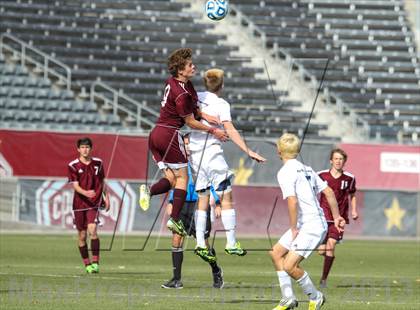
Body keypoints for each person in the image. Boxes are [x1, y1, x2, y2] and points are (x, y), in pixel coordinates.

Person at [138, 48, 228, 237]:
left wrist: (204, 114)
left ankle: (149, 191)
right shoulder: (181, 93)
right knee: (183, 179)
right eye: (189, 64)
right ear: (180, 70)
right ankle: (175, 219)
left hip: (155, 135)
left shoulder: (176, 83)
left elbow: (193, 109)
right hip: (169, 135)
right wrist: (214, 131)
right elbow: (190, 122)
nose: (193, 66)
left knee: (171, 179)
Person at [188, 68, 266, 262]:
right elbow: (229, 129)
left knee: (203, 198)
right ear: (222, 85)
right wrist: (248, 151)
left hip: (196, 155)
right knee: (227, 196)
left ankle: (199, 243)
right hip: (212, 153)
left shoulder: (195, 97)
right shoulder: (222, 104)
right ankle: (231, 242)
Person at [269, 133, 345, 310]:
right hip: (308, 223)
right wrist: (337, 217)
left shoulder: (285, 172)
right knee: (276, 253)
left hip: (312, 226)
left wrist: (293, 228)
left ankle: (315, 296)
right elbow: (329, 192)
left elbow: (292, 201)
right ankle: (288, 298)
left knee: (289, 265)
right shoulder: (307, 169)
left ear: (279, 151)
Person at [161, 134, 224, 289]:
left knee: (204, 245)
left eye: (190, 143)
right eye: (185, 144)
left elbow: (212, 183)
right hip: (181, 204)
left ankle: (216, 270)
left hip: (199, 205)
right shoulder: (177, 163)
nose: (187, 147)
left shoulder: (203, 161)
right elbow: (174, 183)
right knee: (176, 239)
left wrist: (217, 202)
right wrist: (171, 201)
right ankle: (176, 280)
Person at [68, 137, 109, 274]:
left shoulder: (98, 163)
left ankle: (96, 263)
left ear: (91, 149)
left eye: (87, 147)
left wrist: (106, 197)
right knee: (82, 235)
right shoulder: (73, 165)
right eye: (83, 147)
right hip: (79, 204)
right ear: (78, 149)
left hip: (94, 203)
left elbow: (102, 181)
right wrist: (86, 192)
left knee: (93, 230)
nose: (85, 149)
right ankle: (87, 264)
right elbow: (75, 186)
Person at [317, 148, 358, 288]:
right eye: (336, 159)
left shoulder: (350, 178)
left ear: (344, 161)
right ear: (331, 161)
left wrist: (353, 210)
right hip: (322, 217)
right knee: (321, 251)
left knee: (331, 246)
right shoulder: (321, 175)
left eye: (341, 159)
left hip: (338, 218)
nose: (338, 161)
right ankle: (329, 257)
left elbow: (352, 195)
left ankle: (323, 280)